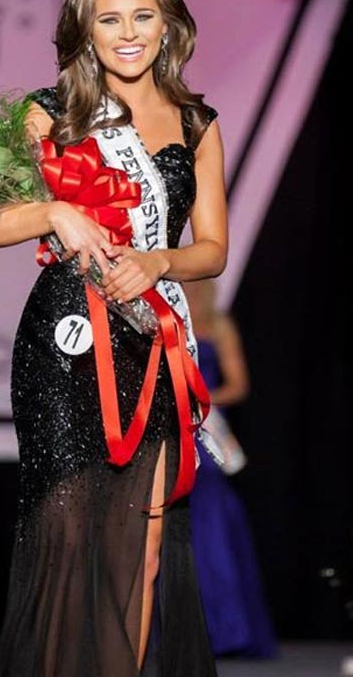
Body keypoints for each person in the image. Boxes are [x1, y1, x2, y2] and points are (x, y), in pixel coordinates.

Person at [0, 0, 227, 676]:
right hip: (68, 340)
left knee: (145, 545)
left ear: (169, 24)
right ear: (86, 27)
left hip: (156, 336)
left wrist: (158, 260)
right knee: (70, 536)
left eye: (143, 16)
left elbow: (212, 249)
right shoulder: (50, 112)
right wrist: (53, 211)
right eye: (110, 19)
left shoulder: (197, 123)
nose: (128, 33)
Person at [185, 278, 278, 659]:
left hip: (205, 432)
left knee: (211, 527)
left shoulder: (219, 325)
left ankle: (226, 629)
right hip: (170, 427)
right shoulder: (164, 317)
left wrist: (201, 402)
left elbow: (238, 385)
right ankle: (175, 631)